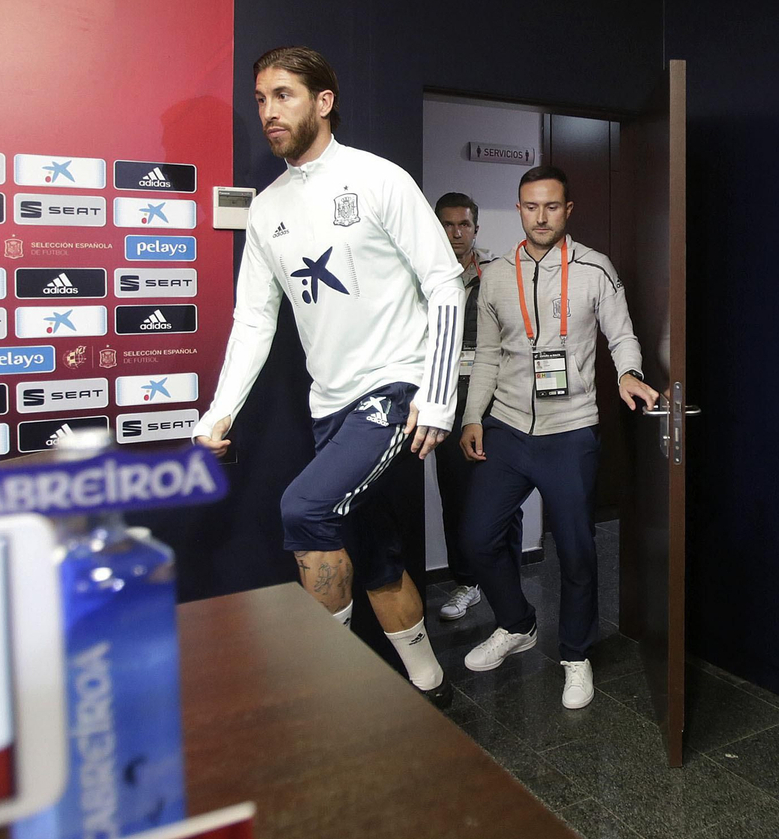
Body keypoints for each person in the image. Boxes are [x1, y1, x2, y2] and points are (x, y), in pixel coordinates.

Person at [193, 46, 463, 706]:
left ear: (323, 101)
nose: (268, 111)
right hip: (330, 407)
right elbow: (254, 320)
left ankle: (328, 690)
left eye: (283, 95)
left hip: (394, 390)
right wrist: (218, 412)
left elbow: (446, 285)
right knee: (372, 551)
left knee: (304, 509)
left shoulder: (379, 180)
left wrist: (437, 397)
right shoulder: (268, 209)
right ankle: (431, 685)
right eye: (260, 98)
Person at [457, 166, 658, 709]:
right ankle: (517, 624)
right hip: (506, 428)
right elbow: (489, 355)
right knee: (478, 537)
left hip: (570, 433)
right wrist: (474, 416)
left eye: (550, 206)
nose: (539, 216)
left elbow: (621, 333)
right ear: (518, 209)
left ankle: (575, 654)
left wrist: (628, 374)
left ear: (568, 210)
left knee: (574, 551)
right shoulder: (497, 273)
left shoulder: (595, 268)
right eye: (529, 206)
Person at [429, 191, 519, 621]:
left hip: (494, 400)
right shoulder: (424, 276)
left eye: (463, 224)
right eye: (447, 224)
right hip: (446, 401)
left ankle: (510, 582)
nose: (456, 232)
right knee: (456, 495)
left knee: (503, 495)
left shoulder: (498, 275)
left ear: (476, 229)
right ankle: (466, 582)